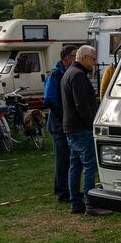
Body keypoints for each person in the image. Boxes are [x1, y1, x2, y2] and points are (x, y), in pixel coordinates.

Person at [61, 45, 112, 216]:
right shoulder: (78, 76)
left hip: (70, 128)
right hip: (81, 128)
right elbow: (81, 104)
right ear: (83, 58)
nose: (95, 62)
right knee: (89, 166)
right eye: (93, 58)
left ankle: (76, 203)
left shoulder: (68, 73)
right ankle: (91, 204)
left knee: (75, 166)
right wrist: (92, 124)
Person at [43, 45, 77, 203]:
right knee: (62, 159)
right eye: (74, 56)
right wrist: (63, 114)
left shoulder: (67, 73)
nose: (76, 59)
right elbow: (49, 99)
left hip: (66, 123)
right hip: (58, 125)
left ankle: (70, 190)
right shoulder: (55, 74)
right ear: (66, 59)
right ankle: (62, 193)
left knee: (70, 158)